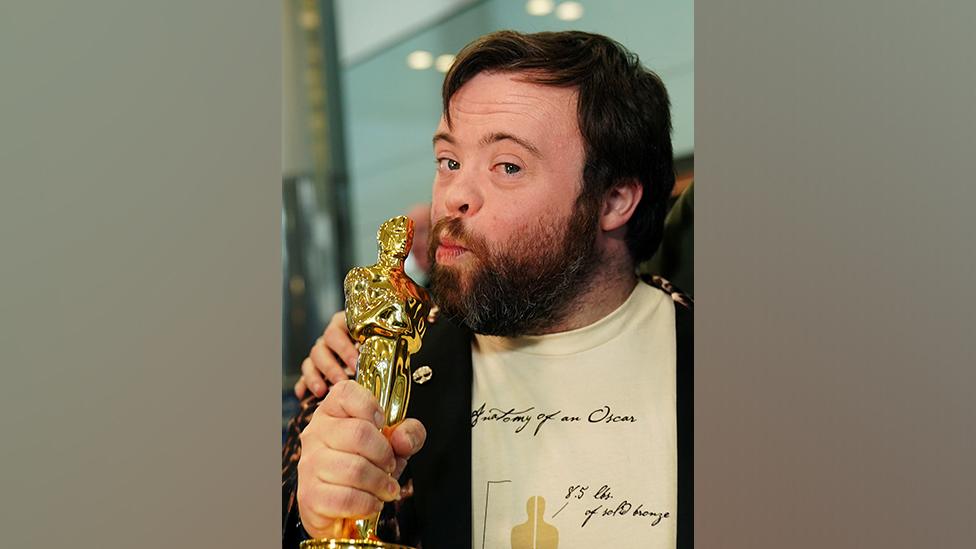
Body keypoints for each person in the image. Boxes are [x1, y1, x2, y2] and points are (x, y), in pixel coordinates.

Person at [283, 30, 692, 548]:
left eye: (507, 166)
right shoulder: (365, 369)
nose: (454, 195)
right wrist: (315, 520)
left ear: (613, 201)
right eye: (449, 161)